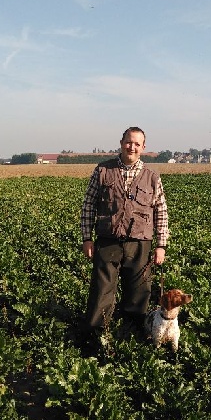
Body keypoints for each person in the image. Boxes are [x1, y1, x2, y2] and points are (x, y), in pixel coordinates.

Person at [80, 126, 169, 340]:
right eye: (129, 142)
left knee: (138, 293)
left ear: (143, 148)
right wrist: (87, 238)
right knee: (102, 292)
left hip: (140, 243)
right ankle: (95, 337)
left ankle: (131, 337)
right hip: (107, 241)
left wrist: (161, 245)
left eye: (137, 144)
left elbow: (161, 210)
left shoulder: (152, 176)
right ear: (121, 143)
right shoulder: (102, 171)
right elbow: (88, 205)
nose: (132, 147)